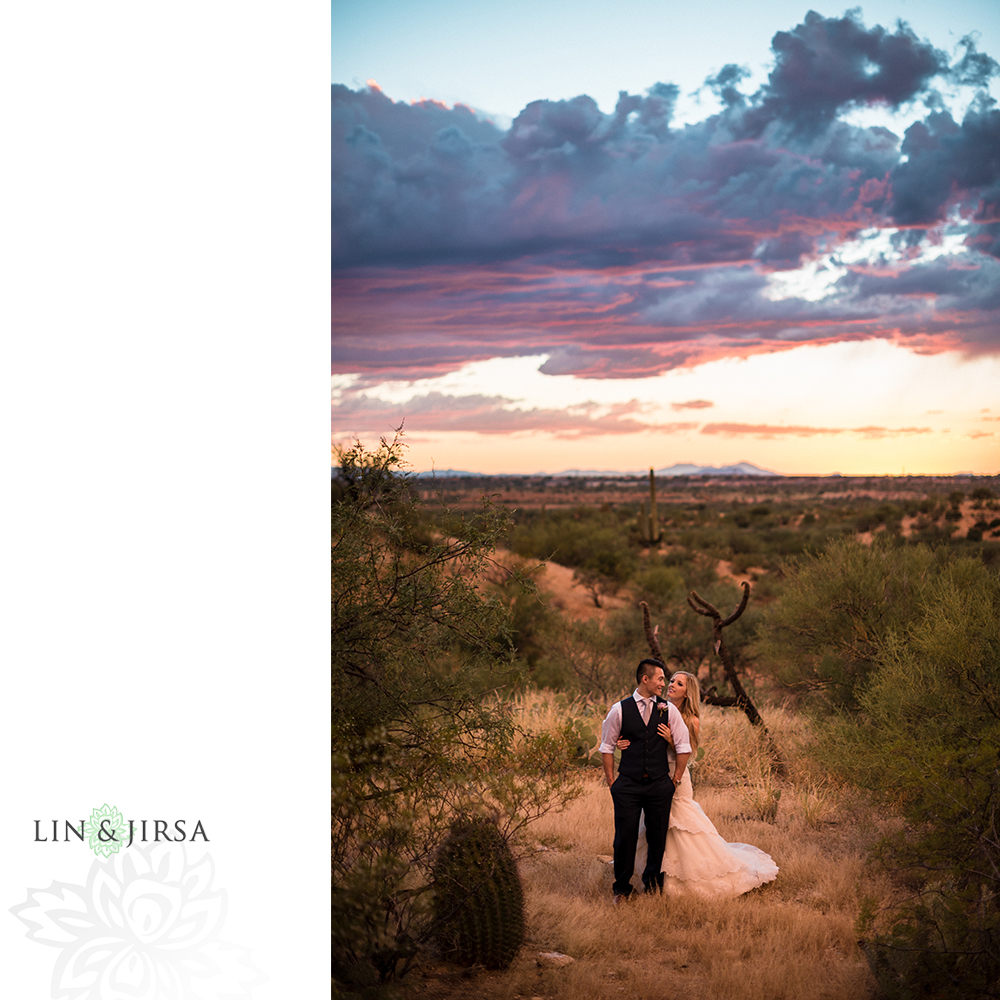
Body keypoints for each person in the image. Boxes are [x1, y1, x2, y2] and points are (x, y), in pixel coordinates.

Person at [621, 670, 779, 898]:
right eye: (672, 681)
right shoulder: (658, 708)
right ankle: (650, 874)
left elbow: (690, 751)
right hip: (654, 774)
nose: (671, 685)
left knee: (680, 823)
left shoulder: (691, 720)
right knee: (653, 824)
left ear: (688, 693)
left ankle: (685, 877)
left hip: (677, 773)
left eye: (679, 683)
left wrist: (670, 740)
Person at [599, 659, 691, 901]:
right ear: (645, 679)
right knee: (625, 836)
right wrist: (612, 782)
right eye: (661, 679)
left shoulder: (668, 710)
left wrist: (675, 781)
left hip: (660, 784)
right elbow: (606, 747)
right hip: (627, 784)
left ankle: (652, 886)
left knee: (657, 837)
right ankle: (621, 888)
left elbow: (684, 747)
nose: (664, 683)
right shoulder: (619, 709)